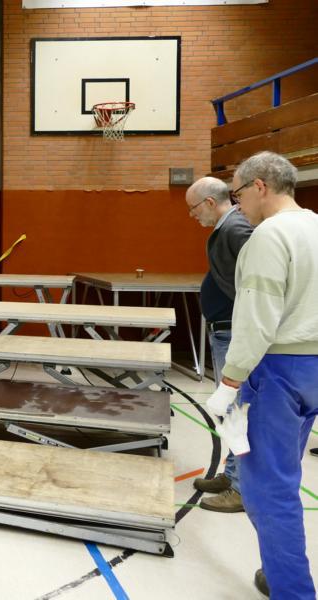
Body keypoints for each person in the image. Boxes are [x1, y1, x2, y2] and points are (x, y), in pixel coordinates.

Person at [206, 151, 318, 599]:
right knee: (285, 473)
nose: (237, 206)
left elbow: (256, 317)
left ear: (259, 186)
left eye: (237, 195)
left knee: (268, 488)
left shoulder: (268, 237)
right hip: (313, 368)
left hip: (279, 371)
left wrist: (230, 381)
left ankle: (292, 589)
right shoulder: (315, 225)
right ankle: (279, 567)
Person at [184, 177, 253, 512]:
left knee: (236, 410)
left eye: (194, 208)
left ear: (210, 202)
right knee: (229, 411)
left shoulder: (236, 228)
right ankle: (231, 474)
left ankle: (240, 488)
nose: (193, 215)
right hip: (224, 329)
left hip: (234, 331)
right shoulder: (228, 227)